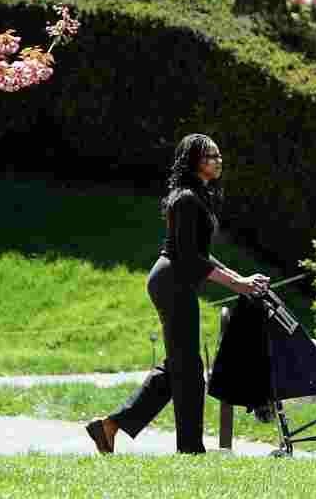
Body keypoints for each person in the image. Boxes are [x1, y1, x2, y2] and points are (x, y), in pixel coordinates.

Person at [85, 133, 270, 454]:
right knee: (189, 371)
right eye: (210, 156)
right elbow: (188, 257)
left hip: (179, 281)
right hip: (172, 282)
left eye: (218, 155)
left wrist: (239, 278)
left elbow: (201, 254)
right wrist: (238, 285)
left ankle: (110, 426)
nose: (218, 160)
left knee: (179, 367)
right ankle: (190, 449)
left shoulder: (198, 196)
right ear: (194, 161)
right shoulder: (185, 198)